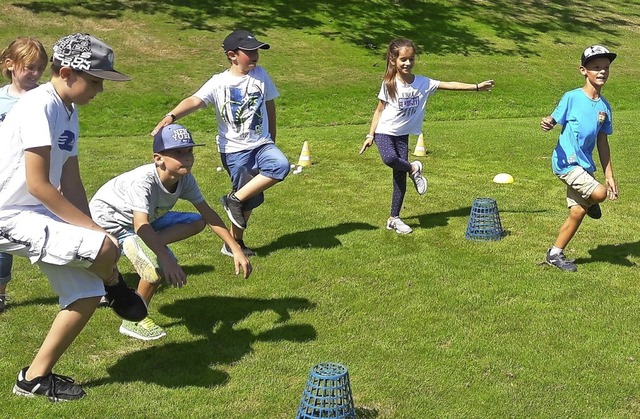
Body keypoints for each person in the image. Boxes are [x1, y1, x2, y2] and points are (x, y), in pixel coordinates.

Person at [0, 33, 147, 401]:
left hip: (34, 212)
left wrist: (93, 228)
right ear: (67, 72)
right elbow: (38, 185)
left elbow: (70, 181)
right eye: (96, 81)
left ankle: (33, 379)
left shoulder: (69, 111)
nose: (100, 89)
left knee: (85, 291)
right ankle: (116, 285)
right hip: (9, 214)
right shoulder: (39, 106)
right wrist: (99, 237)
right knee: (101, 250)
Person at [90, 123, 252, 340]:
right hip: (112, 223)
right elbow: (140, 224)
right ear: (158, 158)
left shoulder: (185, 179)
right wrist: (165, 257)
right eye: (178, 152)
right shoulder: (144, 181)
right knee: (155, 267)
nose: (187, 157)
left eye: (189, 151)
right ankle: (134, 319)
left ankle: (144, 245)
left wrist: (235, 248)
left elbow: (209, 214)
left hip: (143, 223)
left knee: (197, 221)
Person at [151, 29, 290, 256]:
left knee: (280, 165)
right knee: (248, 200)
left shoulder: (261, 75)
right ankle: (234, 243)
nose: (255, 55)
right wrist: (172, 115)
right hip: (235, 150)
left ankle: (232, 200)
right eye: (249, 51)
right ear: (232, 55)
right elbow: (195, 100)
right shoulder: (219, 82)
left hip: (262, 143)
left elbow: (270, 105)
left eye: (257, 51)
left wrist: (272, 137)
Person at [360, 38, 495, 234]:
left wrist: (476, 87)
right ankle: (414, 167)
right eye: (403, 59)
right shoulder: (389, 83)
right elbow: (379, 110)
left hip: (402, 135)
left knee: (399, 177)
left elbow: (450, 85)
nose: (407, 63)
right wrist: (370, 135)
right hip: (384, 131)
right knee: (389, 159)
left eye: (411, 59)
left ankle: (394, 218)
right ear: (393, 60)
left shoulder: (423, 83)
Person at [541, 45, 619, 272]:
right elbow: (552, 119)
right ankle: (594, 202)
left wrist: (609, 174)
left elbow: (602, 142)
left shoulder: (605, 107)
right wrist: (547, 123)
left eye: (605, 68)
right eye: (596, 67)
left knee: (577, 212)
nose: (602, 72)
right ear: (583, 71)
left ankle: (554, 254)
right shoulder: (572, 97)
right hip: (566, 163)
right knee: (599, 193)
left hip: (584, 166)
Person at [0, 37, 48, 312]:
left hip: (39, 178)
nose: (36, 74)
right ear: (10, 65)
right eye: (30, 67)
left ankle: (88, 283)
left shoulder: (46, 98)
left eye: (40, 68)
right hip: (5, 179)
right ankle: (0, 292)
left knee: (55, 231)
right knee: (2, 240)